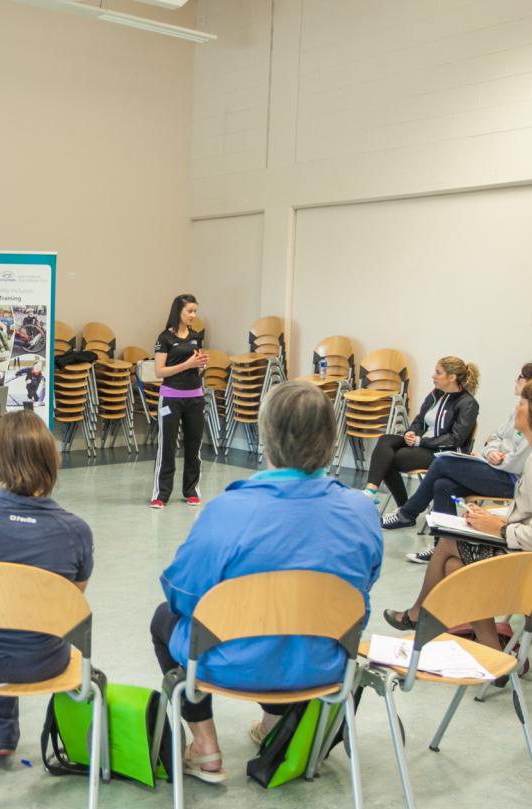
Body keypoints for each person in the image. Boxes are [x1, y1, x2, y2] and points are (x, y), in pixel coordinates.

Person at [152, 381, 383, 781]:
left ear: (267, 436)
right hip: (323, 662)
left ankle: (205, 746)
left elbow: (182, 595)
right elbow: (364, 586)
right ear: (332, 438)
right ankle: (274, 728)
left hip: (233, 663)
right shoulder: (362, 512)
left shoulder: (227, 511)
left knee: (163, 619)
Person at [383, 378, 532, 649]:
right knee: (454, 566)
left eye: (523, 403)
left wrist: (498, 528)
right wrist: (498, 521)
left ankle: (420, 615)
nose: (517, 408)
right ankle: (490, 649)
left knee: (449, 543)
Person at [0, 411, 94, 757]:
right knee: (22, 618)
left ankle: (1, 737)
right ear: (51, 461)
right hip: (43, 660)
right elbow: (71, 600)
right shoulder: (76, 530)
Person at [380, 363, 532, 565]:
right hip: (497, 468)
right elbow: (495, 437)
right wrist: (490, 453)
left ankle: (407, 513)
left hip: (513, 481)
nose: (515, 380)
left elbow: (517, 464)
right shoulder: (518, 408)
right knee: (443, 485)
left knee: (443, 462)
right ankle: (443, 546)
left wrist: (490, 457)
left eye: (520, 377)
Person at [361, 357, 480, 507]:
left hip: (442, 453)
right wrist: (411, 432)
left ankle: (403, 508)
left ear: (452, 377)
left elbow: (456, 439)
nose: (433, 375)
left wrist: (420, 441)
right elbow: (420, 421)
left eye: (438, 372)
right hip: (422, 444)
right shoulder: (436, 394)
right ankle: (371, 491)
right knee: (385, 439)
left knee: (392, 458)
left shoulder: (468, 404)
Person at [149, 294, 208, 509]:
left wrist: (201, 364)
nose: (193, 315)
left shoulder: (196, 336)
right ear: (179, 312)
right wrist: (187, 364)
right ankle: (161, 494)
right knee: (167, 447)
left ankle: (191, 490)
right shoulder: (164, 338)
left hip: (195, 397)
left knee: (194, 445)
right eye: (189, 311)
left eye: (195, 311)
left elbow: (197, 367)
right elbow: (159, 371)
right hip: (171, 398)